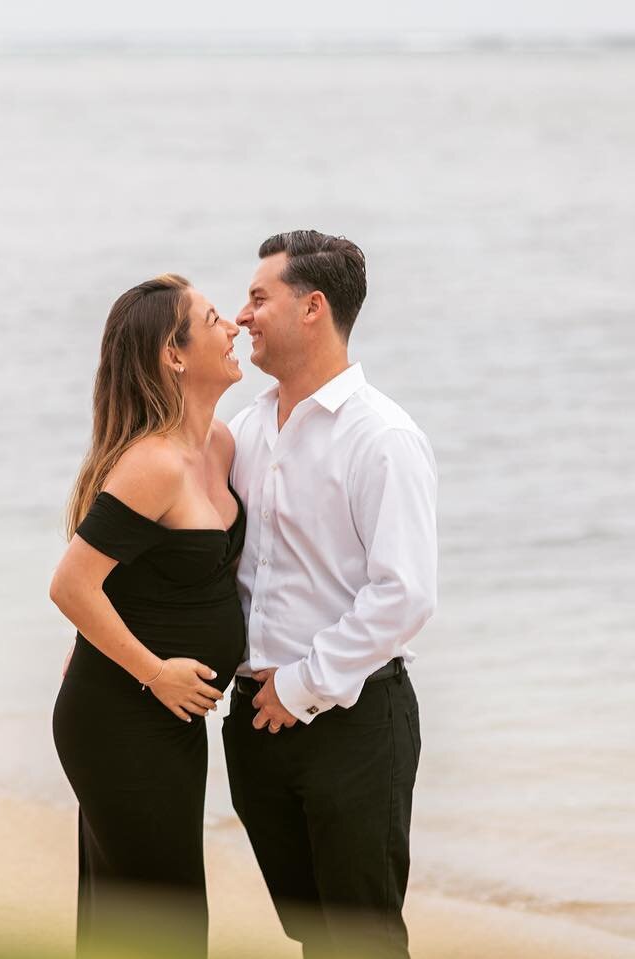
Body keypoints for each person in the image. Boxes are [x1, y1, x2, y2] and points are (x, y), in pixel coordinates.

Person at [223, 230, 438, 959]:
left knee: (362, 937)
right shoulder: (242, 431)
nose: (243, 314)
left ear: (313, 307)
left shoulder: (383, 437)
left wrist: (304, 684)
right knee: (312, 931)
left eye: (259, 297)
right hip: (254, 723)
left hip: (353, 722)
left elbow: (404, 593)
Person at [49, 274, 245, 958]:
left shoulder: (219, 444)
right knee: (165, 923)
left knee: (143, 918)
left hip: (167, 721)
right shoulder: (152, 464)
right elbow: (72, 586)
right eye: (215, 317)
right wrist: (156, 672)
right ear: (175, 355)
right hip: (121, 717)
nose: (235, 327)